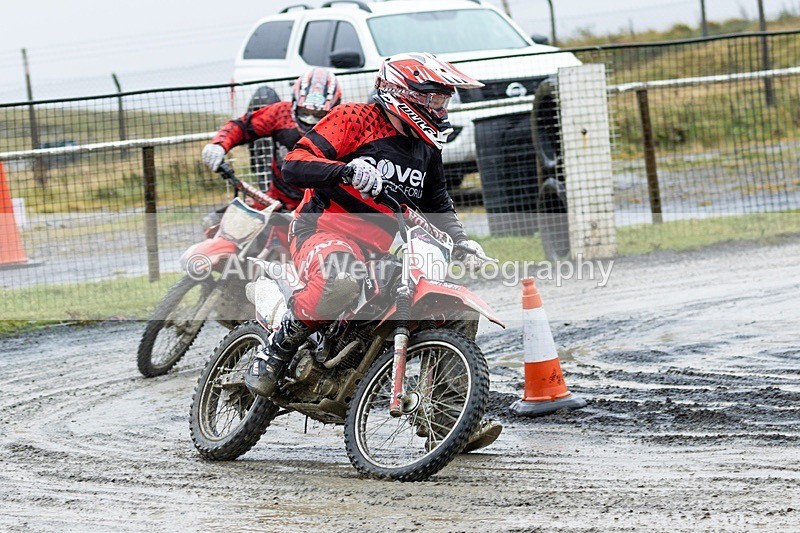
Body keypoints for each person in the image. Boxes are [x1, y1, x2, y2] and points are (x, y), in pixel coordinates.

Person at [244, 52, 502, 452]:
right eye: (434, 99)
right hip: (323, 228)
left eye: (445, 100)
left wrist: (461, 239)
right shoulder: (356, 118)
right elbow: (296, 163)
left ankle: (447, 419)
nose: (441, 107)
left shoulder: (425, 144)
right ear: (403, 93)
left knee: (456, 310)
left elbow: (436, 197)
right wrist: (344, 170)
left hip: (387, 244)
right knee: (340, 277)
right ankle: (276, 351)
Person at [200, 67, 343, 211]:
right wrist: (219, 145)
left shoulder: (345, 129)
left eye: (319, 114)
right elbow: (243, 126)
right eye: (305, 112)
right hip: (276, 201)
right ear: (294, 104)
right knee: (214, 222)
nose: (311, 120)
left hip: (323, 207)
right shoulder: (281, 114)